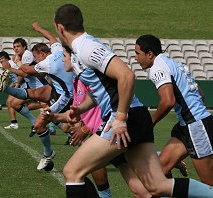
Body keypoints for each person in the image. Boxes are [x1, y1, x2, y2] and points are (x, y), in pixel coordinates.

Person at [53, 3, 213, 197]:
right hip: (136, 116)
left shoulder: (85, 46)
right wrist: (79, 110)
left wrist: (120, 118)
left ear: (60, 27)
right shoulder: (81, 48)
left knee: (72, 172)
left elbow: (127, 75)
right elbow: (100, 89)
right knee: (156, 185)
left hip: (124, 119)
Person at [135, 34, 213, 185]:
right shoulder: (174, 64)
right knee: (161, 170)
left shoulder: (157, 67)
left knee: (209, 183)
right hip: (190, 125)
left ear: (150, 54)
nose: (136, 58)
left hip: (195, 127)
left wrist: (149, 123)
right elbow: (201, 94)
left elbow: (168, 101)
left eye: (138, 53)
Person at [0, 24, 74, 170]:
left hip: (63, 97)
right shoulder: (57, 50)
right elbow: (51, 37)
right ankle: (6, 88)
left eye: (35, 57)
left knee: (39, 125)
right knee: (33, 93)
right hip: (57, 90)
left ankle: (48, 153)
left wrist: (15, 63)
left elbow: (27, 70)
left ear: (42, 53)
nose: (35, 59)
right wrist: (38, 29)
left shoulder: (47, 63)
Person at [0, 50, 44, 130]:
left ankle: (15, 123)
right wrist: (12, 85)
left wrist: (17, 85)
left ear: (6, 58)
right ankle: (38, 117)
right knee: (15, 104)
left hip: (24, 85)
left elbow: (21, 73)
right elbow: (15, 77)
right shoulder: (9, 64)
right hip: (23, 85)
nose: (1, 60)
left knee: (11, 103)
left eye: (2, 58)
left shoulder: (10, 64)